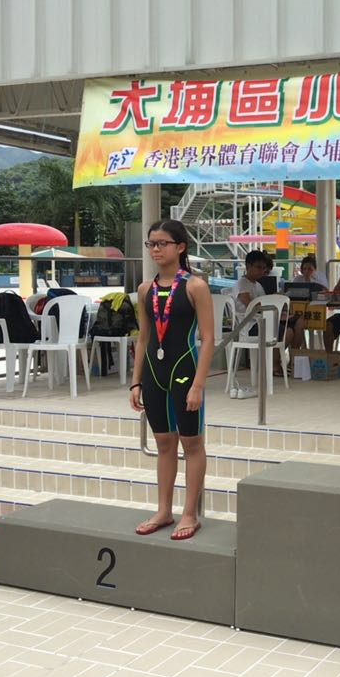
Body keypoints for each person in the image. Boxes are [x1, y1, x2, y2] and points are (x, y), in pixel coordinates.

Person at [130, 219, 214, 540]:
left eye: (162, 243)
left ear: (180, 247)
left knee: (192, 444)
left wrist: (198, 385)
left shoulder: (195, 287)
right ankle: (164, 510)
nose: (155, 249)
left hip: (185, 372)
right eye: (151, 243)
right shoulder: (145, 290)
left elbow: (208, 338)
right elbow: (143, 338)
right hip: (154, 374)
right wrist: (136, 382)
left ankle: (190, 513)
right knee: (164, 443)